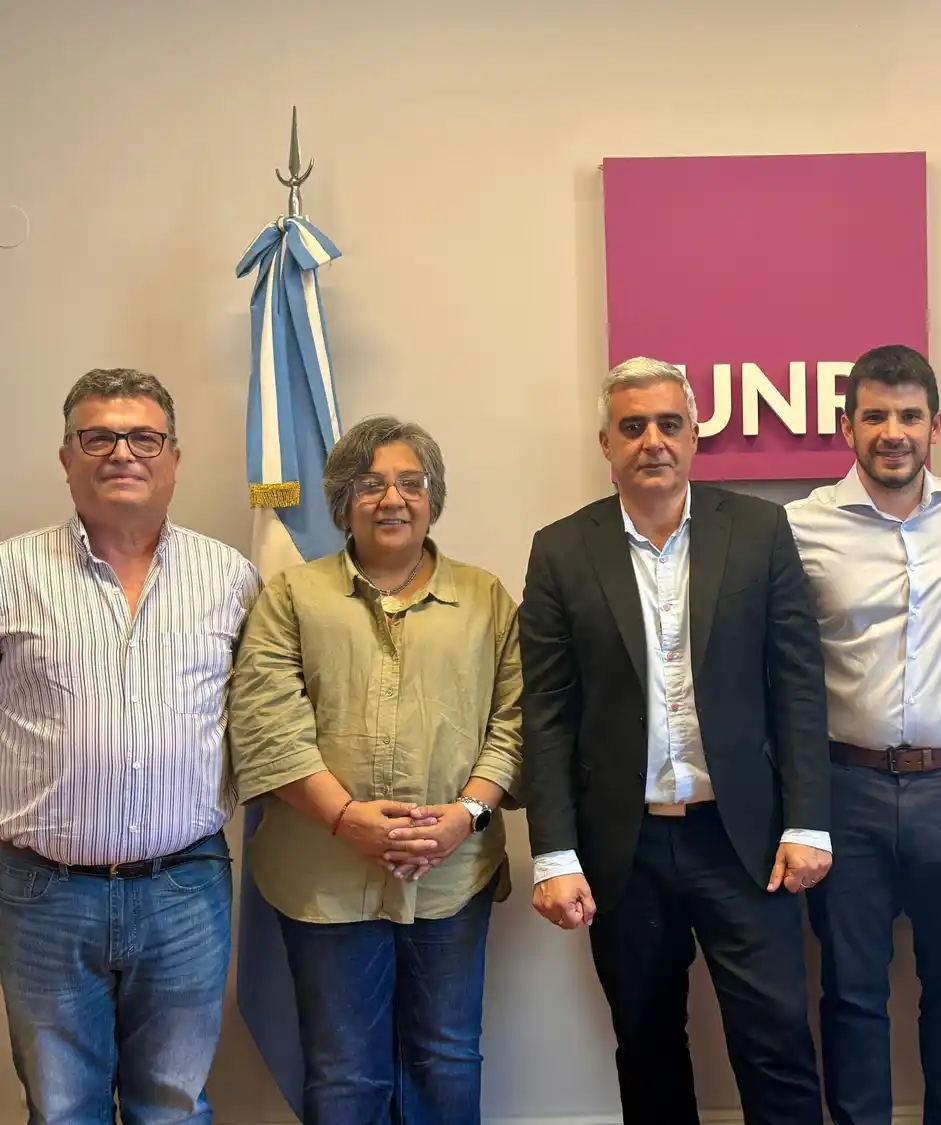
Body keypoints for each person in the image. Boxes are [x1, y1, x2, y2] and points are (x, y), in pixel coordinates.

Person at [520, 356, 831, 1125]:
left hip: (744, 841)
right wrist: (554, 852)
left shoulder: (758, 530)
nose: (651, 441)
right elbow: (548, 713)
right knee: (647, 1045)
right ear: (606, 443)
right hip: (624, 848)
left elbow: (797, 685)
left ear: (694, 435)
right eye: (632, 427)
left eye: (668, 424)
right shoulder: (561, 550)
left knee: (777, 1042)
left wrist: (807, 820)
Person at [228, 415, 523, 1125]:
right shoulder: (291, 597)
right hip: (323, 879)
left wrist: (464, 816)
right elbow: (267, 726)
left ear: (433, 498)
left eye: (411, 483)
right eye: (371, 484)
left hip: (453, 876)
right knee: (344, 1072)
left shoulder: (485, 599)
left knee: (448, 1058)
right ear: (342, 500)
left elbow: (514, 722)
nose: (393, 498)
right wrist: (345, 819)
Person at [0, 368, 258, 1123]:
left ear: (173, 457)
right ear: (66, 456)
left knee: (172, 1106)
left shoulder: (230, 577)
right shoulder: (10, 572)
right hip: (44, 894)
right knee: (61, 1109)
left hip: (185, 888)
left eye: (144, 437)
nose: (122, 453)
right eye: (99, 437)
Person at [785, 344, 941, 1125]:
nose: (894, 431)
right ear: (847, 425)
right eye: (876, 415)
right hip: (844, 787)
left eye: (910, 415)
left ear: (935, 425)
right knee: (851, 991)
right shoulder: (802, 525)